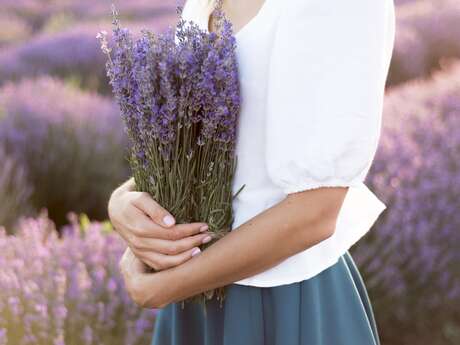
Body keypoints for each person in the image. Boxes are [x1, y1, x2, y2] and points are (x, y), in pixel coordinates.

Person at [108, 0, 396, 344]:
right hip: (192, 296)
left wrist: (164, 286)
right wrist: (125, 204)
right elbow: (205, 148)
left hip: (281, 302)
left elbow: (316, 211)